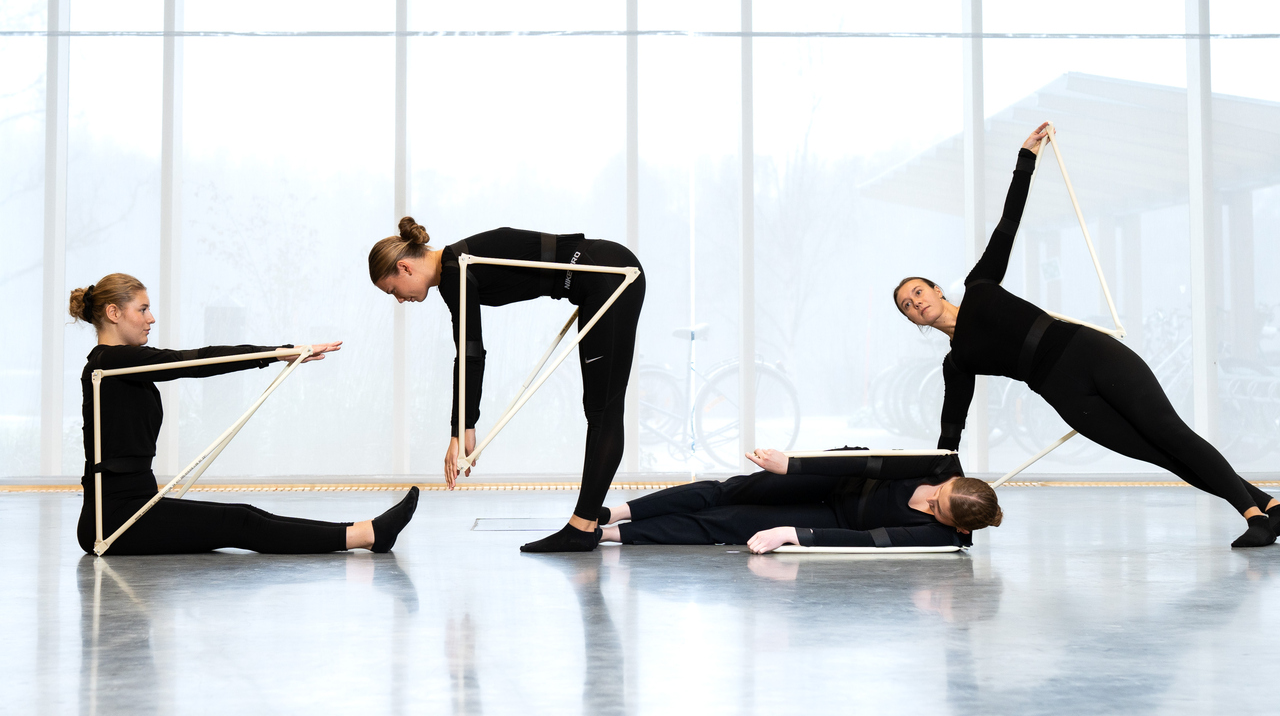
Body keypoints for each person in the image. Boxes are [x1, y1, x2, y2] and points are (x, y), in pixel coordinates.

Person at [893, 122, 1280, 548]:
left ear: (937, 289)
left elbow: (1008, 222)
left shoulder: (980, 285)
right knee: (1163, 456)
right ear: (913, 321)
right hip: (1065, 394)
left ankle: (1254, 517)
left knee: (1172, 434)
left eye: (918, 292)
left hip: (1089, 353)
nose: (915, 303)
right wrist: (933, 484)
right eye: (907, 305)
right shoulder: (956, 363)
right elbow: (951, 431)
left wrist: (1026, 159)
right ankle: (1270, 506)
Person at [73, 273, 418, 555]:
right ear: (114, 313)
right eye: (143, 309)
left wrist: (280, 353)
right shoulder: (109, 362)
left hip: (132, 507)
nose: (151, 318)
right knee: (240, 521)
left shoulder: (121, 366)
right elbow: (194, 360)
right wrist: (278, 352)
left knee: (243, 517)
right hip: (115, 521)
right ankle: (367, 535)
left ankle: (366, 532)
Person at [369, 218, 645, 552]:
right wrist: (464, 425)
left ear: (404, 267)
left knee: (604, 411)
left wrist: (461, 429)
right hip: (602, 274)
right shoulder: (456, 266)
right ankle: (584, 524)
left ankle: (582, 528)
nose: (399, 300)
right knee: (599, 410)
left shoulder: (457, 269)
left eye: (392, 290)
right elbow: (469, 351)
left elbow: (470, 354)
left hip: (611, 274)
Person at [598, 446, 1001, 552]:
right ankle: (612, 513)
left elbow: (870, 540)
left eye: (935, 510)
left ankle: (610, 536)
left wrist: (794, 534)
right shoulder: (942, 465)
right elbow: (869, 464)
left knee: (728, 523)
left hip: (838, 520)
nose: (928, 502)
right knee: (728, 491)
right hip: (839, 477)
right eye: (937, 495)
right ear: (955, 480)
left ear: (959, 527)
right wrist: (791, 465)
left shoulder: (941, 537)